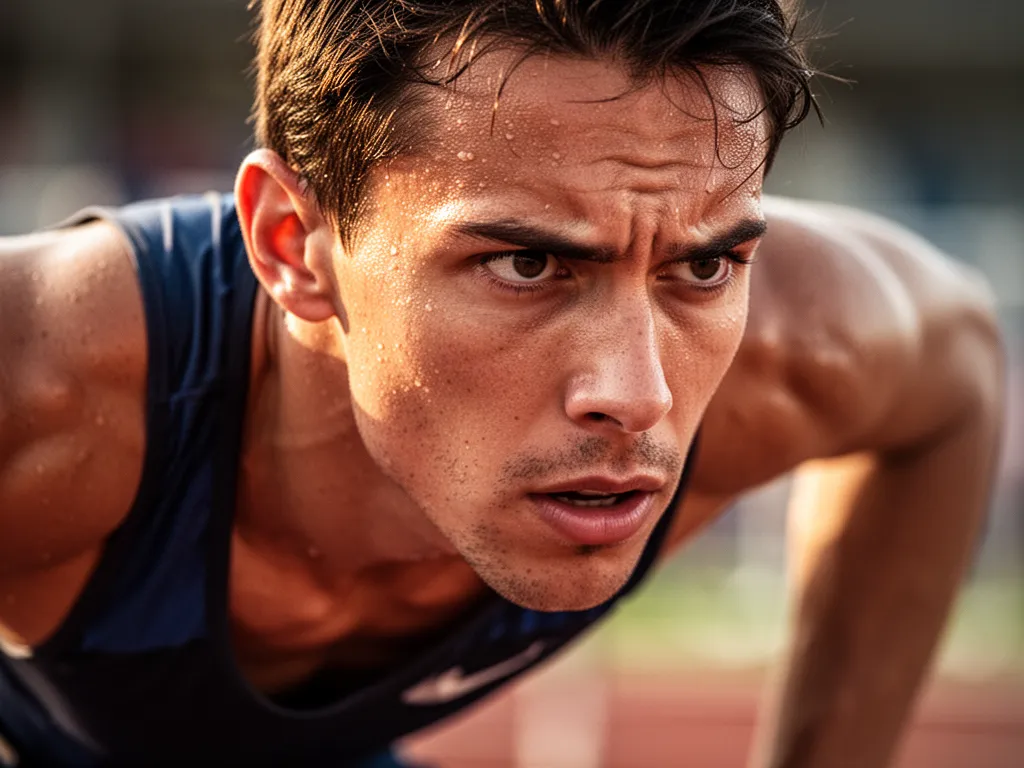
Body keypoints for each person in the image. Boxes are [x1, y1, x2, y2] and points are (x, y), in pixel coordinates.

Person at [0, 1, 1004, 766]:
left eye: (701, 266)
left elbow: (956, 365)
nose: (637, 393)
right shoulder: (46, 387)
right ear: (291, 243)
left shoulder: (795, 348)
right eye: (526, 265)